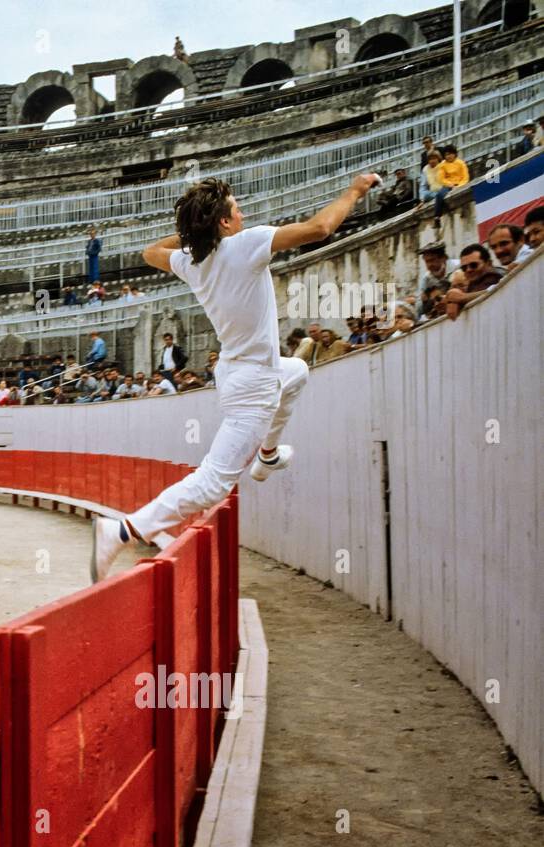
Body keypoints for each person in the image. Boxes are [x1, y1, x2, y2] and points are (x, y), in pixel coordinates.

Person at [92, 172, 382, 580]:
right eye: (235, 209)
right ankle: (122, 530)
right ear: (225, 224)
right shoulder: (247, 244)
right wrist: (355, 190)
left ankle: (267, 454)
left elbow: (149, 252)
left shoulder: (191, 261)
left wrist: (194, 232)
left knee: (297, 371)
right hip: (255, 384)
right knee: (213, 484)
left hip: (237, 371)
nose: (243, 213)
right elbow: (321, 228)